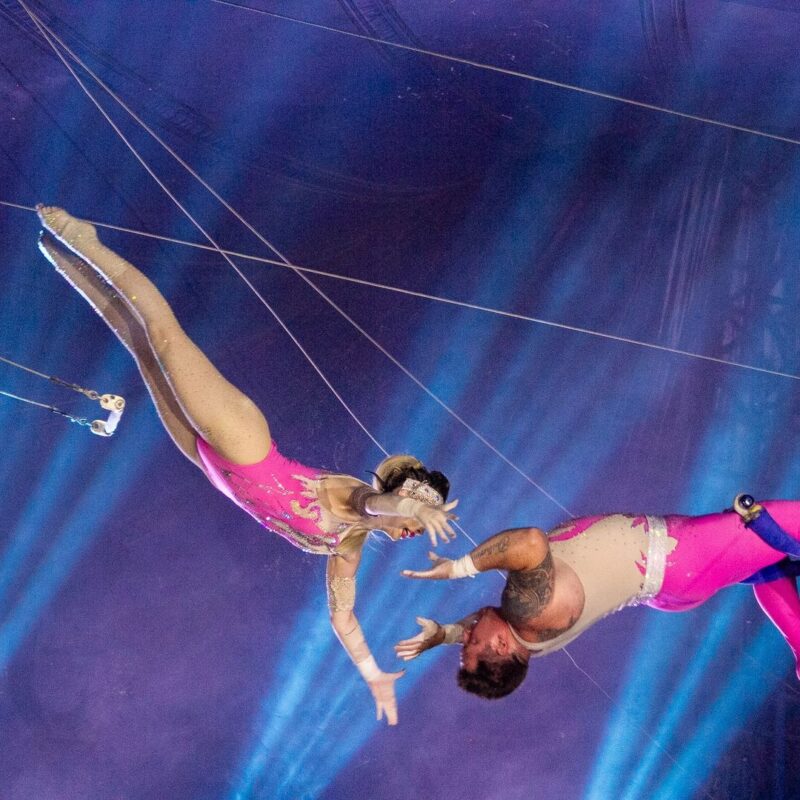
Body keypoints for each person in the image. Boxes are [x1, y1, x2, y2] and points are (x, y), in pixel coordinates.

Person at [36, 205, 458, 725]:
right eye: (422, 517)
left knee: (141, 351)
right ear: (409, 498)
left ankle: (64, 260)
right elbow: (376, 502)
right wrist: (410, 507)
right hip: (244, 444)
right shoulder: (358, 499)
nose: (417, 531)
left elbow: (343, 617)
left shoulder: (347, 545)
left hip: (213, 469)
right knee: (165, 336)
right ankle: (85, 239)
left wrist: (372, 674)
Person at [395, 502, 800, 699]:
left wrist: (445, 635)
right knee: (775, 526)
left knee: (767, 565)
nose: (467, 636)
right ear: (501, 645)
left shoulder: (527, 640)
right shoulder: (526, 611)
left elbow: (483, 627)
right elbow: (529, 543)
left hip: (670, 588)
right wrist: (459, 568)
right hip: (686, 555)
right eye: (470, 644)